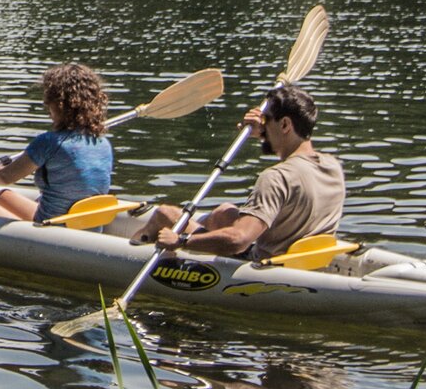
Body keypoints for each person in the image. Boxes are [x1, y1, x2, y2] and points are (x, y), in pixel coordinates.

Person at [127, 83, 342, 259]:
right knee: (224, 212)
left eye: (266, 120)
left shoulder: (276, 178)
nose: (261, 126)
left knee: (165, 214)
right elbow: (292, 160)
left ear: (285, 124)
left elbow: (239, 240)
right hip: (300, 259)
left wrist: (182, 241)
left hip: (262, 265)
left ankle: (131, 253)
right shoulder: (331, 166)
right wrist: (263, 133)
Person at [0, 63, 116, 223]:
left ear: (59, 103)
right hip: (86, 225)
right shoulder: (103, 142)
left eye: (48, 99)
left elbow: (5, 177)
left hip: (51, 227)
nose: (46, 104)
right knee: (3, 196)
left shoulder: (49, 142)